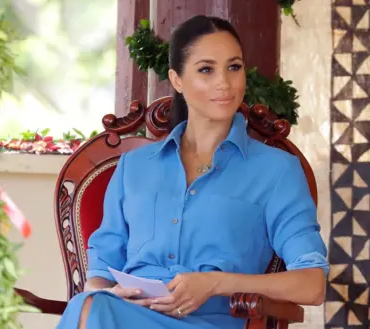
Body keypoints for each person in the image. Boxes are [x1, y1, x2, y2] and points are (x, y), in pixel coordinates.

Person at [56, 15, 329, 329]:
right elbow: (100, 275)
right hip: (124, 317)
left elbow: (311, 285)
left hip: (213, 322)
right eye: (206, 70)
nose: (224, 83)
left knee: (92, 311)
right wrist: (113, 294)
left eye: (234, 67)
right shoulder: (133, 168)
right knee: (91, 305)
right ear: (177, 80)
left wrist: (215, 283)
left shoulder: (277, 171)